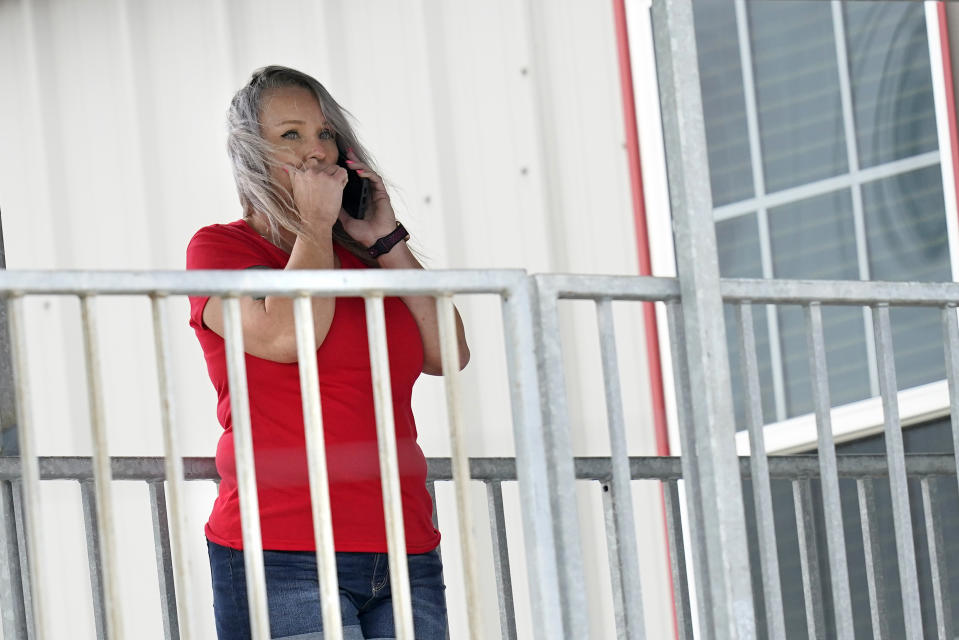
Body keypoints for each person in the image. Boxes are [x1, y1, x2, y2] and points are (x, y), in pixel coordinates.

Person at [186, 65, 469, 640]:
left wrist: (387, 241)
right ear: (250, 153)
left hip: (404, 549)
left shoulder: (365, 261)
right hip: (283, 551)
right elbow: (289, 339)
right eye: (291, 135)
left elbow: (448, 352)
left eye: (324, 133)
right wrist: (313, 229)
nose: (316, 151)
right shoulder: (220, 247)